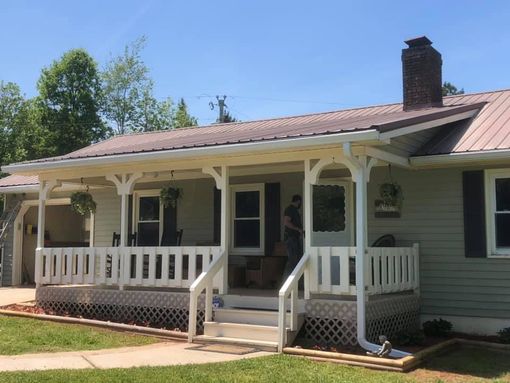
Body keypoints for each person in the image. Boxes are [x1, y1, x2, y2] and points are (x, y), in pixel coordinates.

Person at [283, 194, 303, 279]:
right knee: (292, 261)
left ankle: (294, 282)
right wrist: (298, 229)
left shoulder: (294, 210)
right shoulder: (290, 209)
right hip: (291, 238)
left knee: (296, 260)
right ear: (298, 201)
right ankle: (286, 283)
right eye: (300, 202)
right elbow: (286, 222)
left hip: (295, 238)